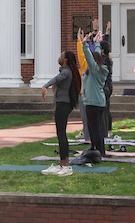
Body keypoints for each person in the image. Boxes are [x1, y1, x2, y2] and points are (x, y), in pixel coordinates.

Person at [41, 49, 82, 177]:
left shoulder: (66, 72)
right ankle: (62, 164)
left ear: (65, 60)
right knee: (60, 133)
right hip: (63, 103)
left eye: (61, 56)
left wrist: (45, 86)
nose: (59, 58)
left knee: (61, 134)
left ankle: (66, 165)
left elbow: (57, 78)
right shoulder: (67, 71)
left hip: (63, 104)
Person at [81, 29, 108, 157]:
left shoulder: (94, 70)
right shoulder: (101, 69)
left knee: (94, 129)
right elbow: (95, 56)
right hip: (99, 102)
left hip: (92, 102)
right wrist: (97, 43)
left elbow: (90, 58)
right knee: (97, 128)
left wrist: (84, 44)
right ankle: (97, 149)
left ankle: (98, 151)